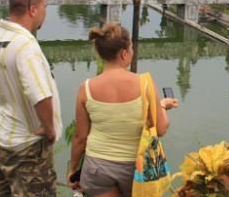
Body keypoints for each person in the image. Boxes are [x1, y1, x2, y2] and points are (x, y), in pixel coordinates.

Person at [67, 23, 178, 196]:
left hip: (98, 167)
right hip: (136, 169)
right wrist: (162, 106)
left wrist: (72, 168)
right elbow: (161, 128)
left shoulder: (86, 88)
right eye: (132, 48)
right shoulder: (145, 84)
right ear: (124, 53)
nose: (133, 53)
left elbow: (80, 137)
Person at [0, 0, 61, 196]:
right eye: (45, 7)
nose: (45, 13)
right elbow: (41, 96)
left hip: (3, 137)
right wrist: (49, 128)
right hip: (27, 147)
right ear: (33, 9)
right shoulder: (26, 46)